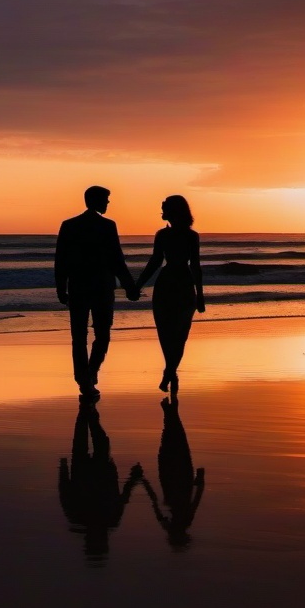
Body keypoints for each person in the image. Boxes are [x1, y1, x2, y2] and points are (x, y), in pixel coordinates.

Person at [54, 185, 139, 399]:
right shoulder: (108, 226)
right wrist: (130, 286)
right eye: (106, 199)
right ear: (97, 201)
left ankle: (84, 378)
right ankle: (90, 373)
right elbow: (117, 260)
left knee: (79, 336)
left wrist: (60, 286)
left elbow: (61, 261)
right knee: (102, 334)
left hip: (78, 287)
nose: (108, 203)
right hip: (101, 287)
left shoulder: (69, 225)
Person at [134, 195, 205, 395]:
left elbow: (196, 266)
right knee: (166, 334)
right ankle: (171, 372)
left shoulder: (191, 236)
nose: (162, 211)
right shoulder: (162, 235)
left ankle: (169, 371)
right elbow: (155, 262)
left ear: (174, 211)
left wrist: (200, 295)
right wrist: (138, 284)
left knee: (179, 334)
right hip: (171, 284)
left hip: (179, 284)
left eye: (164, 208)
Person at [58, 402, 143, 565]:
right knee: (100, 441)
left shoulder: (77, 519)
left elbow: (65, 493)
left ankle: (87, 407)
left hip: (83, 471)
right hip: (102, 470)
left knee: (85, 434)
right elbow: (123, 498)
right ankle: (90, 409)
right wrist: (134, 477)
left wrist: (63, 468)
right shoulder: (111, 519)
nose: (101, 539)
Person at [139, 397, 205, 551]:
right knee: (175, 442)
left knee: (174, 442)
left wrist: (142, 480)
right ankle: (170, 412)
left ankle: (170, 413)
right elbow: (195, 500)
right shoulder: (183, 520)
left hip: (173, 478)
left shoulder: (173, 522)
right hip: (179, 479)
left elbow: (154, 502)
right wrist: (200, 480)